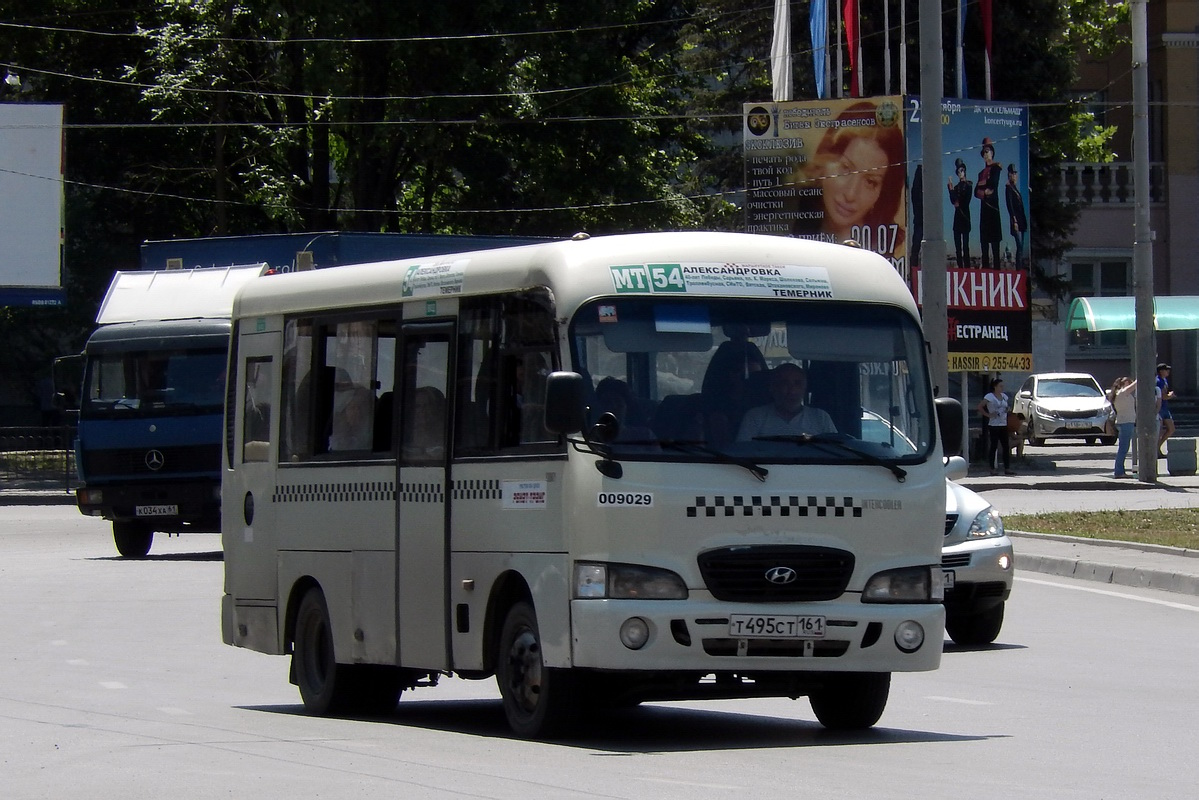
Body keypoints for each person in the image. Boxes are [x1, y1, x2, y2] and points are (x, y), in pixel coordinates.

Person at [790, 102, 907, 255]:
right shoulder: (788, 228)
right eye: (845, 168)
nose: (851, 194)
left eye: (870, 182)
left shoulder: (898, 251)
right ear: (825, 161)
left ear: (882, 193)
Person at [736, 363, 836, 440]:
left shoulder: (820, 417)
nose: (792, 390)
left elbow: (837, 451)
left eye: (798, 383)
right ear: (772, 387)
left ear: (805, 388)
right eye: (784, 383)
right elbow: (743, 454)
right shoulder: (755, 417)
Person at [975, 137, 1004, 269]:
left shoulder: (996, 168)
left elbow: (993, 185)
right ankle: (986, 270)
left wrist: (984, 188)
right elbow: (977, 191)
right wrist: (983, 191)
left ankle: (997, 269)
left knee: (995, 244)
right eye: (984, 152)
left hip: (993, 209)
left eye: (988, 151)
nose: (986, 154)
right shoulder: (981, 173)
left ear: (992, 152)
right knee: (984, 243)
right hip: (984, 210)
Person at [977, 377, 1016, 475]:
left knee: (1005, 446)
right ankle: (992, 468)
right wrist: (988, 415)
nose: (1002, 388)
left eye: (1003, 386)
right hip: (994, 424)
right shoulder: (989, 396)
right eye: (1000, 386)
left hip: (1003, 423)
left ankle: (1007, 468)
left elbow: (1007, 407)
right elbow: (980, 406)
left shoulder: (1004, 396)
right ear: (995, 387)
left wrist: (1008, 410)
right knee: (993, 446)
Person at [947, 157, 973, 269]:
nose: (960, 173)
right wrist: (951, 189)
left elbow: (965, 200)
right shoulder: (956, 187)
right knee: (958, 246)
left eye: (961, 170)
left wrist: (957, 198)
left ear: (965, 171)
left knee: (965, 246)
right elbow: (953, 201)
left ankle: (966, 267)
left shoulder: (969, 185)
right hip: (957, 218)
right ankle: (960, 266)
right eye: (958, 171)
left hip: (965, 216)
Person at [1109, 376, 1138, 477]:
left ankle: (1120, 470)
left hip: (1124, 421)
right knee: (1123, 448)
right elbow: (1135, 385)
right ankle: (1119, 471)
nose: (1130, 383)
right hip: (1126, 422)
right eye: (1127, 382)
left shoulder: (1118, 393)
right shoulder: (1122, 393)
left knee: (1123, 447)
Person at [1005, 162, 1028, 268]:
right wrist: (1014, 221)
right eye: (1012, 173)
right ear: (1009, 175)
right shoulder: (1009, 188)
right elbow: (1010, 205)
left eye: (1015, 173)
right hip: (1016, 221)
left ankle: (1021, 266)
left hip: (1022, 221)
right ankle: (1018, 269)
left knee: (1021, 247)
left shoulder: (1015, 189)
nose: (1014, 175)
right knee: (1019, 246)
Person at [1156, 363, 1176, 457]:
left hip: (1165, 408)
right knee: (1158, 430)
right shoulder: (1158, 381)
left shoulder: (1164, 380)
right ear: (1161, 371)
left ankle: (1158, 446)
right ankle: (1156, 450)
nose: (1168, 371)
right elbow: (1162, 396)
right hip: (1159, 408)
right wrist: (1169, 396)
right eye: (1165, 369)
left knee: (1171, 428)